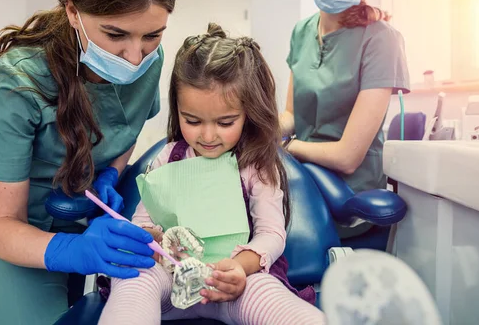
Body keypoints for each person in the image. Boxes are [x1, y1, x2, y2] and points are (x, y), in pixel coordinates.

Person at [0, 0, 177, 324]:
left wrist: (110, 175)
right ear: (74, 12)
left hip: (84, 217)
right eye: (115, 34)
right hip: (15, 235)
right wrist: (72, 251)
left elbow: (126, 129)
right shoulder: (20, 80)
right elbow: (1, 226)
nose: (134, 57)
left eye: (152, 35)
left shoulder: (151, 59)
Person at [98, 23, 326, 325]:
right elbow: (144, 219)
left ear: (249, 112)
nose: (207, 135)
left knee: (270, 293)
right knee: (135, 276)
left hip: (236, 286)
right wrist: (148, 237)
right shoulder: (168, 158)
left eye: (225, 122)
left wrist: (238, 268)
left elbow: (271, 234)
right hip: (171, 282)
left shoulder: (256, 164)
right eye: (192, 120)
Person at [280, 0, 410, 236]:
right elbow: (291, 116)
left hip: (348, 198)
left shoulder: (381, 40)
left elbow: (348, 157)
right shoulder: (301, 31)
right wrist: (257, 134)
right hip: (303, 181)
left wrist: (290, 148)